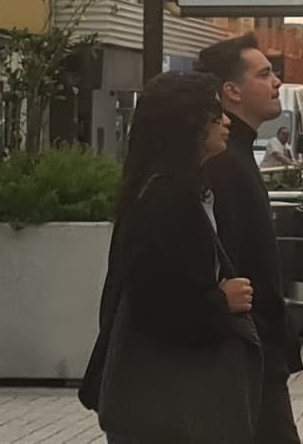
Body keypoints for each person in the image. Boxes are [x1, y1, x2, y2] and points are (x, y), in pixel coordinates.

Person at [79, 72, 260, 442]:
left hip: (159, 403)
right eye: (214, 113)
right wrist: (222, 302)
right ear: (187, 122)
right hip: (171, 407)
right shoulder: (170, 198)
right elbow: (159, 302)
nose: (226, 121)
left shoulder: (162, 189)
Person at [197, 33, 303, 443]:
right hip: (245, 352)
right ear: (231, 92)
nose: (276, 82)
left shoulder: (238, 157)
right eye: (264, 74)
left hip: (255, 351)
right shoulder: (223, 164)